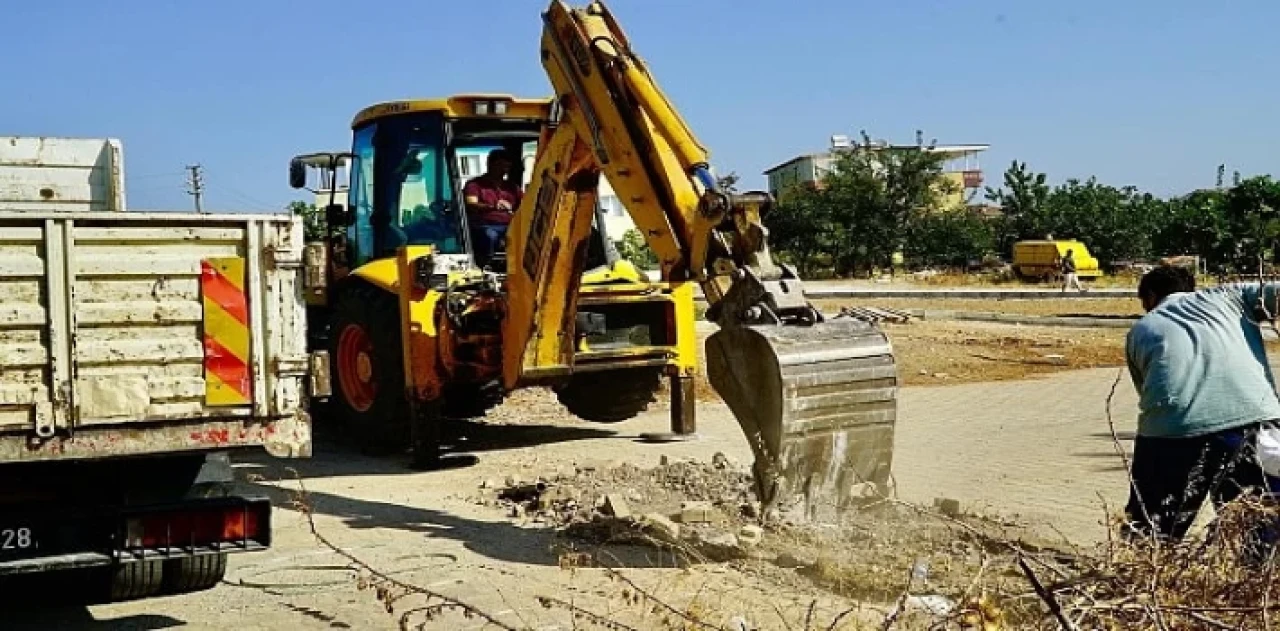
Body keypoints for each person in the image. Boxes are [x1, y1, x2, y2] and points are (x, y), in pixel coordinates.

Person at [1122, 265, 1278, 541]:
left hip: (1172, 432)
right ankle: (1260, 577)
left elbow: (1146, 391)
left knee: (1151, 529)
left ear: (1150, 297)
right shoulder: (1229, 297)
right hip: (1256, 424)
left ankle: (1144, 575)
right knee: (1261, 520)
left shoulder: (1141, 330)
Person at [463, 149, 522, 266]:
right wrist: (494, 206)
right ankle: (487, 265)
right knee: (490, 235)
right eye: (500, 166)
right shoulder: (474, 184)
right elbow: (471, 204)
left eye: (507, 167)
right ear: (490, 164)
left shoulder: (512, 187)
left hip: (510, 225)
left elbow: (524, 204)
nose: (504, 170)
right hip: (485, 224)